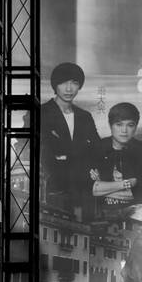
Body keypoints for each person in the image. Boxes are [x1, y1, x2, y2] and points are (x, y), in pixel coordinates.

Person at [39, 62, 100, 215]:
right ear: (55, 85)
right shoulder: (41, 113)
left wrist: (95, 169)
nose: (69, 89)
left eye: (74, 83)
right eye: (63, 83)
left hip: (83, 190)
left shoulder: (85, 117)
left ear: (79, 86)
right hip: (52, 189)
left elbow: (97, 149)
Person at [89, 102, 142, 220]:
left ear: (136, 126)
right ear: (110, 125)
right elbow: (90, 189)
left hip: (138, 213)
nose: (124, 130)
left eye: (130, 125)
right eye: (119, 124)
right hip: (102, 213)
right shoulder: (96, 149)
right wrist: (128, 184)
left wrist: (103, 187)